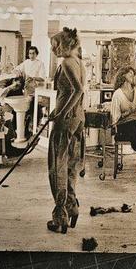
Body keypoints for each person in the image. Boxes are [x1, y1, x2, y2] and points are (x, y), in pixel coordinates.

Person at [47, 27, 86, 234]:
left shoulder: (66, 62)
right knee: (71, 165)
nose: (54, 50)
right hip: (77, 119)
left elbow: (77, 90)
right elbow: (74, 93)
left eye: (55, 46)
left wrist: (61, 114)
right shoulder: (79, 61)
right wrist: (58, 109)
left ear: (65, 45)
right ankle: (72, 207)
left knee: (57, 167)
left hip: (66, 121)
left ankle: (60, 217)